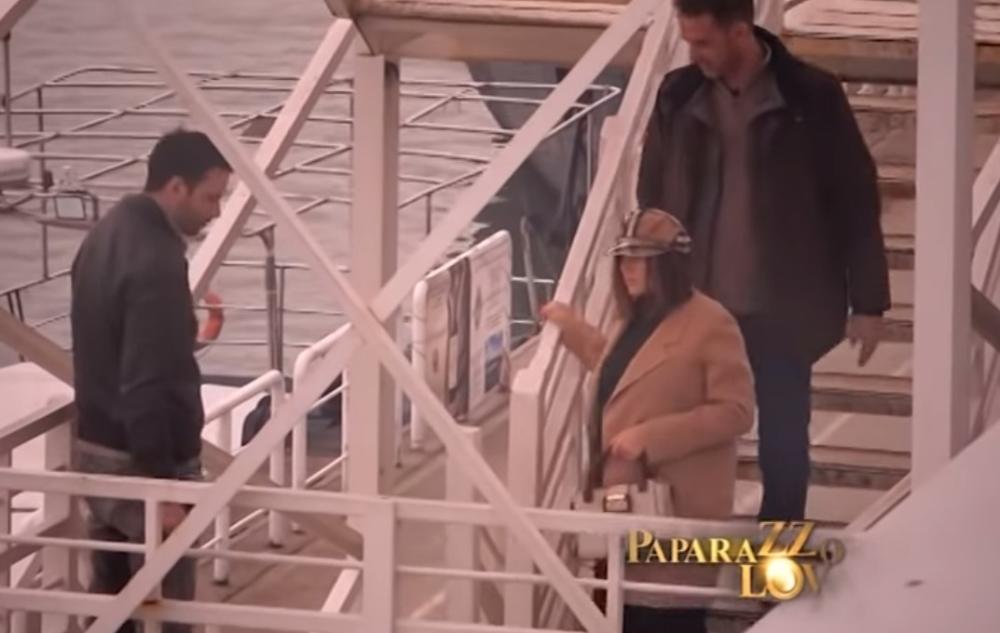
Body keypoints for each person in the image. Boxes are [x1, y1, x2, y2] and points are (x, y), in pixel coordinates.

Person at [636, 0, 891, 521]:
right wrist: (647, 280)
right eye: (688, 41)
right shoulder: (677, 95)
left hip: (782, 306)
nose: (693, 53)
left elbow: (856, 198)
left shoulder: (812, 96)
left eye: (703, 42)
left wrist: (868, 303)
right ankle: (686, 554)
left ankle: (778, 559)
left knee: (784, 445)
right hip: (696, 307)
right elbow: (652, 194)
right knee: (686, 436)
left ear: (739, 32)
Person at [542, 208, 755, 633]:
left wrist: (649, 437)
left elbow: (736, 410)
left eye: (640, 258)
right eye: (623, 258)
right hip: (625, 504)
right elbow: (622, 372)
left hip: (676, 508)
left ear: (669, 265)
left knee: (665, 619)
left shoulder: (712, 322)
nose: (628, 268)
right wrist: (570, 328)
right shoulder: (635, 319)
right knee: (622, 616)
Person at [71, 129, 231, 633]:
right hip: (144, 459)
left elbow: (112, 348)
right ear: (176, 187)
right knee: (169, 610)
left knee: (111, 603)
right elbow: (147, 383)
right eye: (210, 197)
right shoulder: (158, 261)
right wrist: (161, 488)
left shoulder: (102, 236)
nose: (217, 212)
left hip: (97, 445)